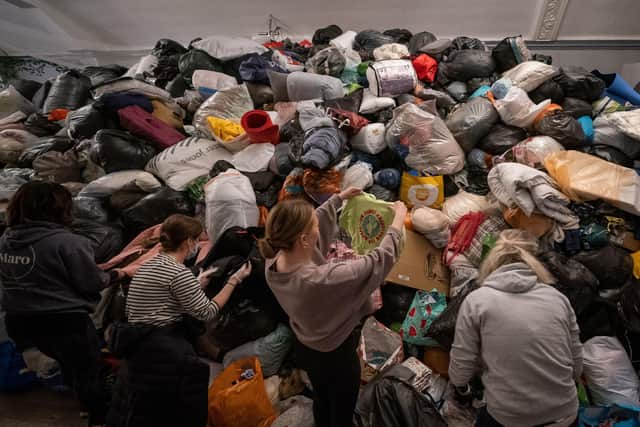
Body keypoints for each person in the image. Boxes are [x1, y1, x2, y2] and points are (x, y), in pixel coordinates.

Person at [258, 187, 406, 427]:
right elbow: (377, 261)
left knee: (322, 394)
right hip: (335, 352)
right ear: (304, 239)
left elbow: (310, 222)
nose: (320, 226)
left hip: (305, 344)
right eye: (314, 225)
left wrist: (339, 199)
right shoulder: (322, 280)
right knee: (342, 407)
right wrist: (398, 218)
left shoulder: (273, 261)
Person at [106, 213, 251, 427]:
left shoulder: (148, 266)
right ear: (188, 242)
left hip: (138, 345)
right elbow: (207, 312)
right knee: (178, 410)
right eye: (197, 240)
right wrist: (233, 281)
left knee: (141, 406)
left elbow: (160, 300)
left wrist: (195, 284)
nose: (198, 245)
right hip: (164, 350)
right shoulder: (178, 273)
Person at [0, 181, 117, 427]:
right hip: (63, 322)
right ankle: (98, 419)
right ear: (59, 209)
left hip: (18, 320)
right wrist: (119, 274)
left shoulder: (7, 238)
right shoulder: (68, 242)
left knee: (67, 366)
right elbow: (92, 282)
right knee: (87, 370)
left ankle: (77, 397)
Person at [449, 229, 583, 427]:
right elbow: (576, 364)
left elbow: (460, 371)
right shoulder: (556, 298)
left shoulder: (478, 301)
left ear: (492, 262)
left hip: (509, 418)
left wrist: (464, 386)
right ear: (534, 262)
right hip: (565, 415)